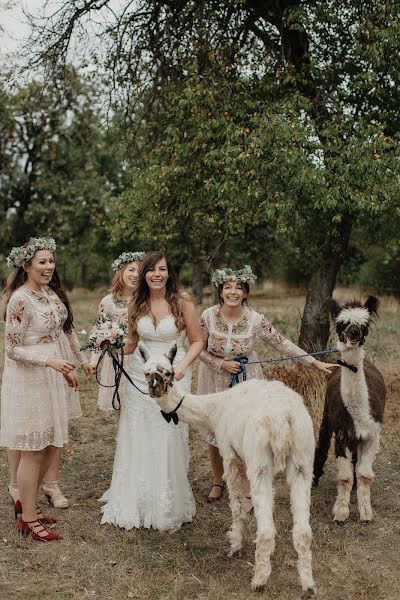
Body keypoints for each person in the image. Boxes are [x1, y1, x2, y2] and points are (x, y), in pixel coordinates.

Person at [197, 266, 339, 504]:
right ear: (220, 291)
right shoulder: (208, 316)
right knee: (215, 431)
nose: (233, 292)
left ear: (245, 293)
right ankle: (218, 480)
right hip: (214, 378)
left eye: (238, 288)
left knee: (245, 434)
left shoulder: (255, 320)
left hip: (246, 381)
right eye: (227, 287)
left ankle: (249, 485)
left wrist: (313, 362)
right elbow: (197, 348)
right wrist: (219, 364)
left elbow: (282, 343)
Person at [100, 251, 203, 531]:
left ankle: (167, 503)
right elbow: (131, 343)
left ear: (169, 273)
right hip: (140, 374)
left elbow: (196, 341)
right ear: (144, 274)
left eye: (162, 269)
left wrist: (181, 365)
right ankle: (136, 499)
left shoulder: (182, 301)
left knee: (169, 433)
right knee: (138, 431)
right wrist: (108, 344)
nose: (157, 274)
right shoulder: (137, 302)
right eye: (152, 270)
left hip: (173, 374)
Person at [1, 237, 90, 541]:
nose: (49, 266)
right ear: (26, 265)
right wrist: (50, 361)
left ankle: (30, 505)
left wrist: (68, 368)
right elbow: (12, 349)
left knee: (51, 446)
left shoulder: (49, 293)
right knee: (34, 449)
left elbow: (61, 333)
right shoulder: (20, 299)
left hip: (53, 376)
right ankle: (27, 518)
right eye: (42, 261)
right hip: (29, 379)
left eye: (51, 260)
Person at [90, 251, 146, 411]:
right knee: (122, 406)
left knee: (143, 407)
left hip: (141, 357)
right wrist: (94, 361)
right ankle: (124, 436)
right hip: (118, 359)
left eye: (140, 272)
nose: (136, 275)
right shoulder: (108, 302)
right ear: (121, 271)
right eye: (131, 270)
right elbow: (98, 332)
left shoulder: (147, 300)